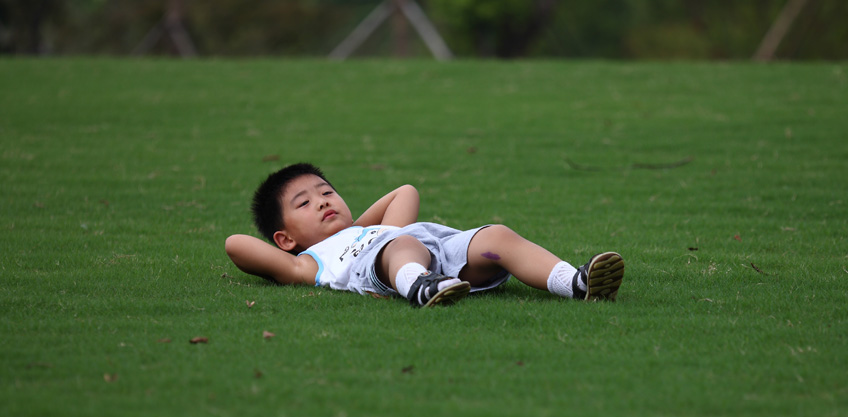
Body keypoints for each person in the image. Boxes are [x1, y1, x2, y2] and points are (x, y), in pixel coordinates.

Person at [225, 163, 624, 308]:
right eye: (304, 204)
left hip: (435, 247)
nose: (322, 202)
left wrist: (358, 227)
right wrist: (340, 241)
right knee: (401, 245)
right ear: (284, 238)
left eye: (327, 193)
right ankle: (420, 288)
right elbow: (235, 244)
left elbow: (405, 192)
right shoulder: (307, 262)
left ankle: (574, 282)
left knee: (497, 234)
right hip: (388, 263)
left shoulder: (373, 230)